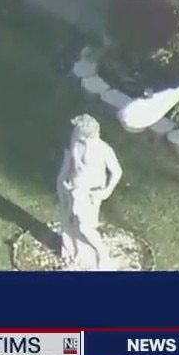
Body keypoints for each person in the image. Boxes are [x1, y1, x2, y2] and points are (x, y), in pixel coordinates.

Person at [56, 114, 123, 271]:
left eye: (77, 130)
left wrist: (106, 191)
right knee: (67, 220)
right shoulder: (76, 140)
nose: (74, 132)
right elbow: (72, 162)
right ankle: (73, 252)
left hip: (89, 193)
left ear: (88, 136)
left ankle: (101, 254)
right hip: (72, 188)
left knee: (85, 227)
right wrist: (64, 179)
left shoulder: (103, 149)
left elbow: (117, 172)